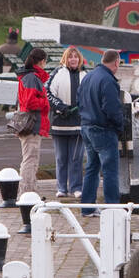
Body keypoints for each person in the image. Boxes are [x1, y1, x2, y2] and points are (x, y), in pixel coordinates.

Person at [77, 48, 125, 216]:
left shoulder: (88, 77)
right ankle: (113, 209)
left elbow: (79, 100)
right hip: (103, 130)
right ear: (116, 62)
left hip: (86, 127)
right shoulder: (108, 80)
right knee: (110, 170)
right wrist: (120, 126)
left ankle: (87, 208)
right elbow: (112, 109)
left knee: (92, 167)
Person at [48, 47, 86, 197]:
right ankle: (61, 188)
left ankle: (76, 188)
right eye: (70, 57)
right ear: (65, 59)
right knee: (61, 158)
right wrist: (61, 107)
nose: (73, 59)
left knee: (76, 158)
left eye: (76, 57)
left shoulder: (85, 75)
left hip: (78, 124)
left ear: (79, 59)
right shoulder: (57, 73)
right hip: (59, 123)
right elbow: (48, 93)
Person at [15, 48, 50, 195]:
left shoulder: (29, 76)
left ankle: (30, 191)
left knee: (31, 159)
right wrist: (45, 102)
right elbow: (29, 102)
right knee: (30, 159)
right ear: (42, 61)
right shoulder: (31, 78)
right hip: (32, 123)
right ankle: (27, 192)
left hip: (31, 123)